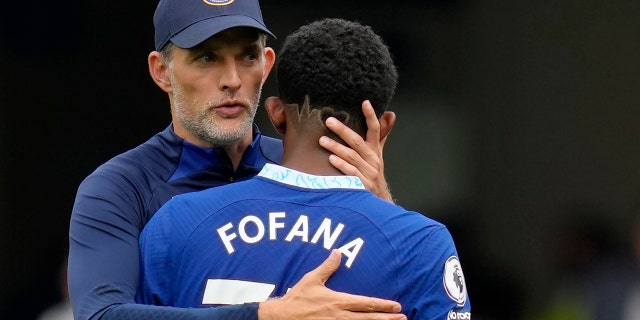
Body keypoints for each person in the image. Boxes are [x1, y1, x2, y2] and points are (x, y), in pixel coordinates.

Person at [67, 0, 403, 320]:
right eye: (206, 58)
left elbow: (395, 296)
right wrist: (266, 314)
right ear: (162, 71)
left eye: (247, 56)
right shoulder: (121, 187)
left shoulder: (313, 167)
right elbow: (101, 314)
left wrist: (381, 206)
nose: (232, 79)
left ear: (267, 63)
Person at [136, 18, 472, 320]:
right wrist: (384, 210)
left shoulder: (176, 222)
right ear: (383, 126)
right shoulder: (420, 244)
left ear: (276, 113)